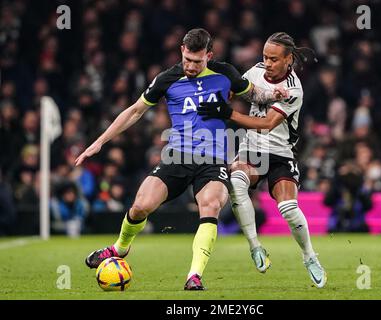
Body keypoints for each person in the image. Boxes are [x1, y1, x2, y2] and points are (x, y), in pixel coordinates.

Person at [75, 28, 287, 290]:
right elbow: (135, 111)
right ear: (182, 51)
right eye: (187, 59)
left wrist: (274, 94)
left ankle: (194, 276)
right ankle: (120, 247)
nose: (190, 66)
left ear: (209, 55)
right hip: (177, 155)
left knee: (210, 206)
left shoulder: (226, 74)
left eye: (197, 61)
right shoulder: (167, 78)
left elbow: (254, 93)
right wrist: (99, 142)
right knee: (141, 206)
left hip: (213, 160)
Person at [197, 32, 327, 288]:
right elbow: (237, 89)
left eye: (274, 59)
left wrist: (228, 113)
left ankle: (309, 256)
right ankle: (255, 247)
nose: (267, 63)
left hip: (280, 153)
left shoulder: (293, 89)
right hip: (251, 150)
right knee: (236, 181)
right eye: (265, 57)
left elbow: (267, 124)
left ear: (289, 59)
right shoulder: (255, 71)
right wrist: (223, 97)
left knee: (288, 209)